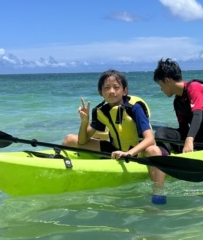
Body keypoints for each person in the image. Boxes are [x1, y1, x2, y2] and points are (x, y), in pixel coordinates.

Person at [62, 70, 167, 204]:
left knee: (154, 150)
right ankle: (65, 172)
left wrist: (128, 153)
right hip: (115, 149)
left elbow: (150, 139)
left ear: (124, 91)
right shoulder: (101, 111)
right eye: (106, 88)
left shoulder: (135, 108)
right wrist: (84, 121)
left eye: (116, 87)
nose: (111, 91)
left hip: (139, 151)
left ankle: (158, 193)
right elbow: (82, 141)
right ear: (101, 92)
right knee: (69, 139)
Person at [152, 58, 203, 153]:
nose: (161, 89)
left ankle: (193, 153)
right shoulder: (177, 102)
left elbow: (197, 115)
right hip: (200, 135)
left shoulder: (194, 87)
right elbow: (184, 129)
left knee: (198, 148)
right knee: (161, 133)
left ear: (167, 80)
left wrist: (189, 140)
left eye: (160, 84)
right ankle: (163, 158)